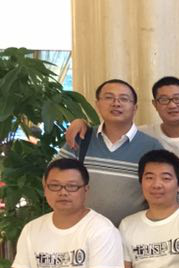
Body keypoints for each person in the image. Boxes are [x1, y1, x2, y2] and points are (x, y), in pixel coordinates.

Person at [64, 76, 179, 170]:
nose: (172, 105)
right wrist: (81, 122)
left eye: (178, 99)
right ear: (155, 104)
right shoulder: (142, 136)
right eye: (164, 99)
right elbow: (116, 130)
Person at [57, 79, 163, 226]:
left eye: (124, 99)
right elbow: (53, 178)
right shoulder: (81, 139)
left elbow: (162, 192)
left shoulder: (151, 147)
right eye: (109, 97)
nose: (116, 103)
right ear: (97, 104)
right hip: (82, 230)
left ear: (135, 108)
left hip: (131, 232)